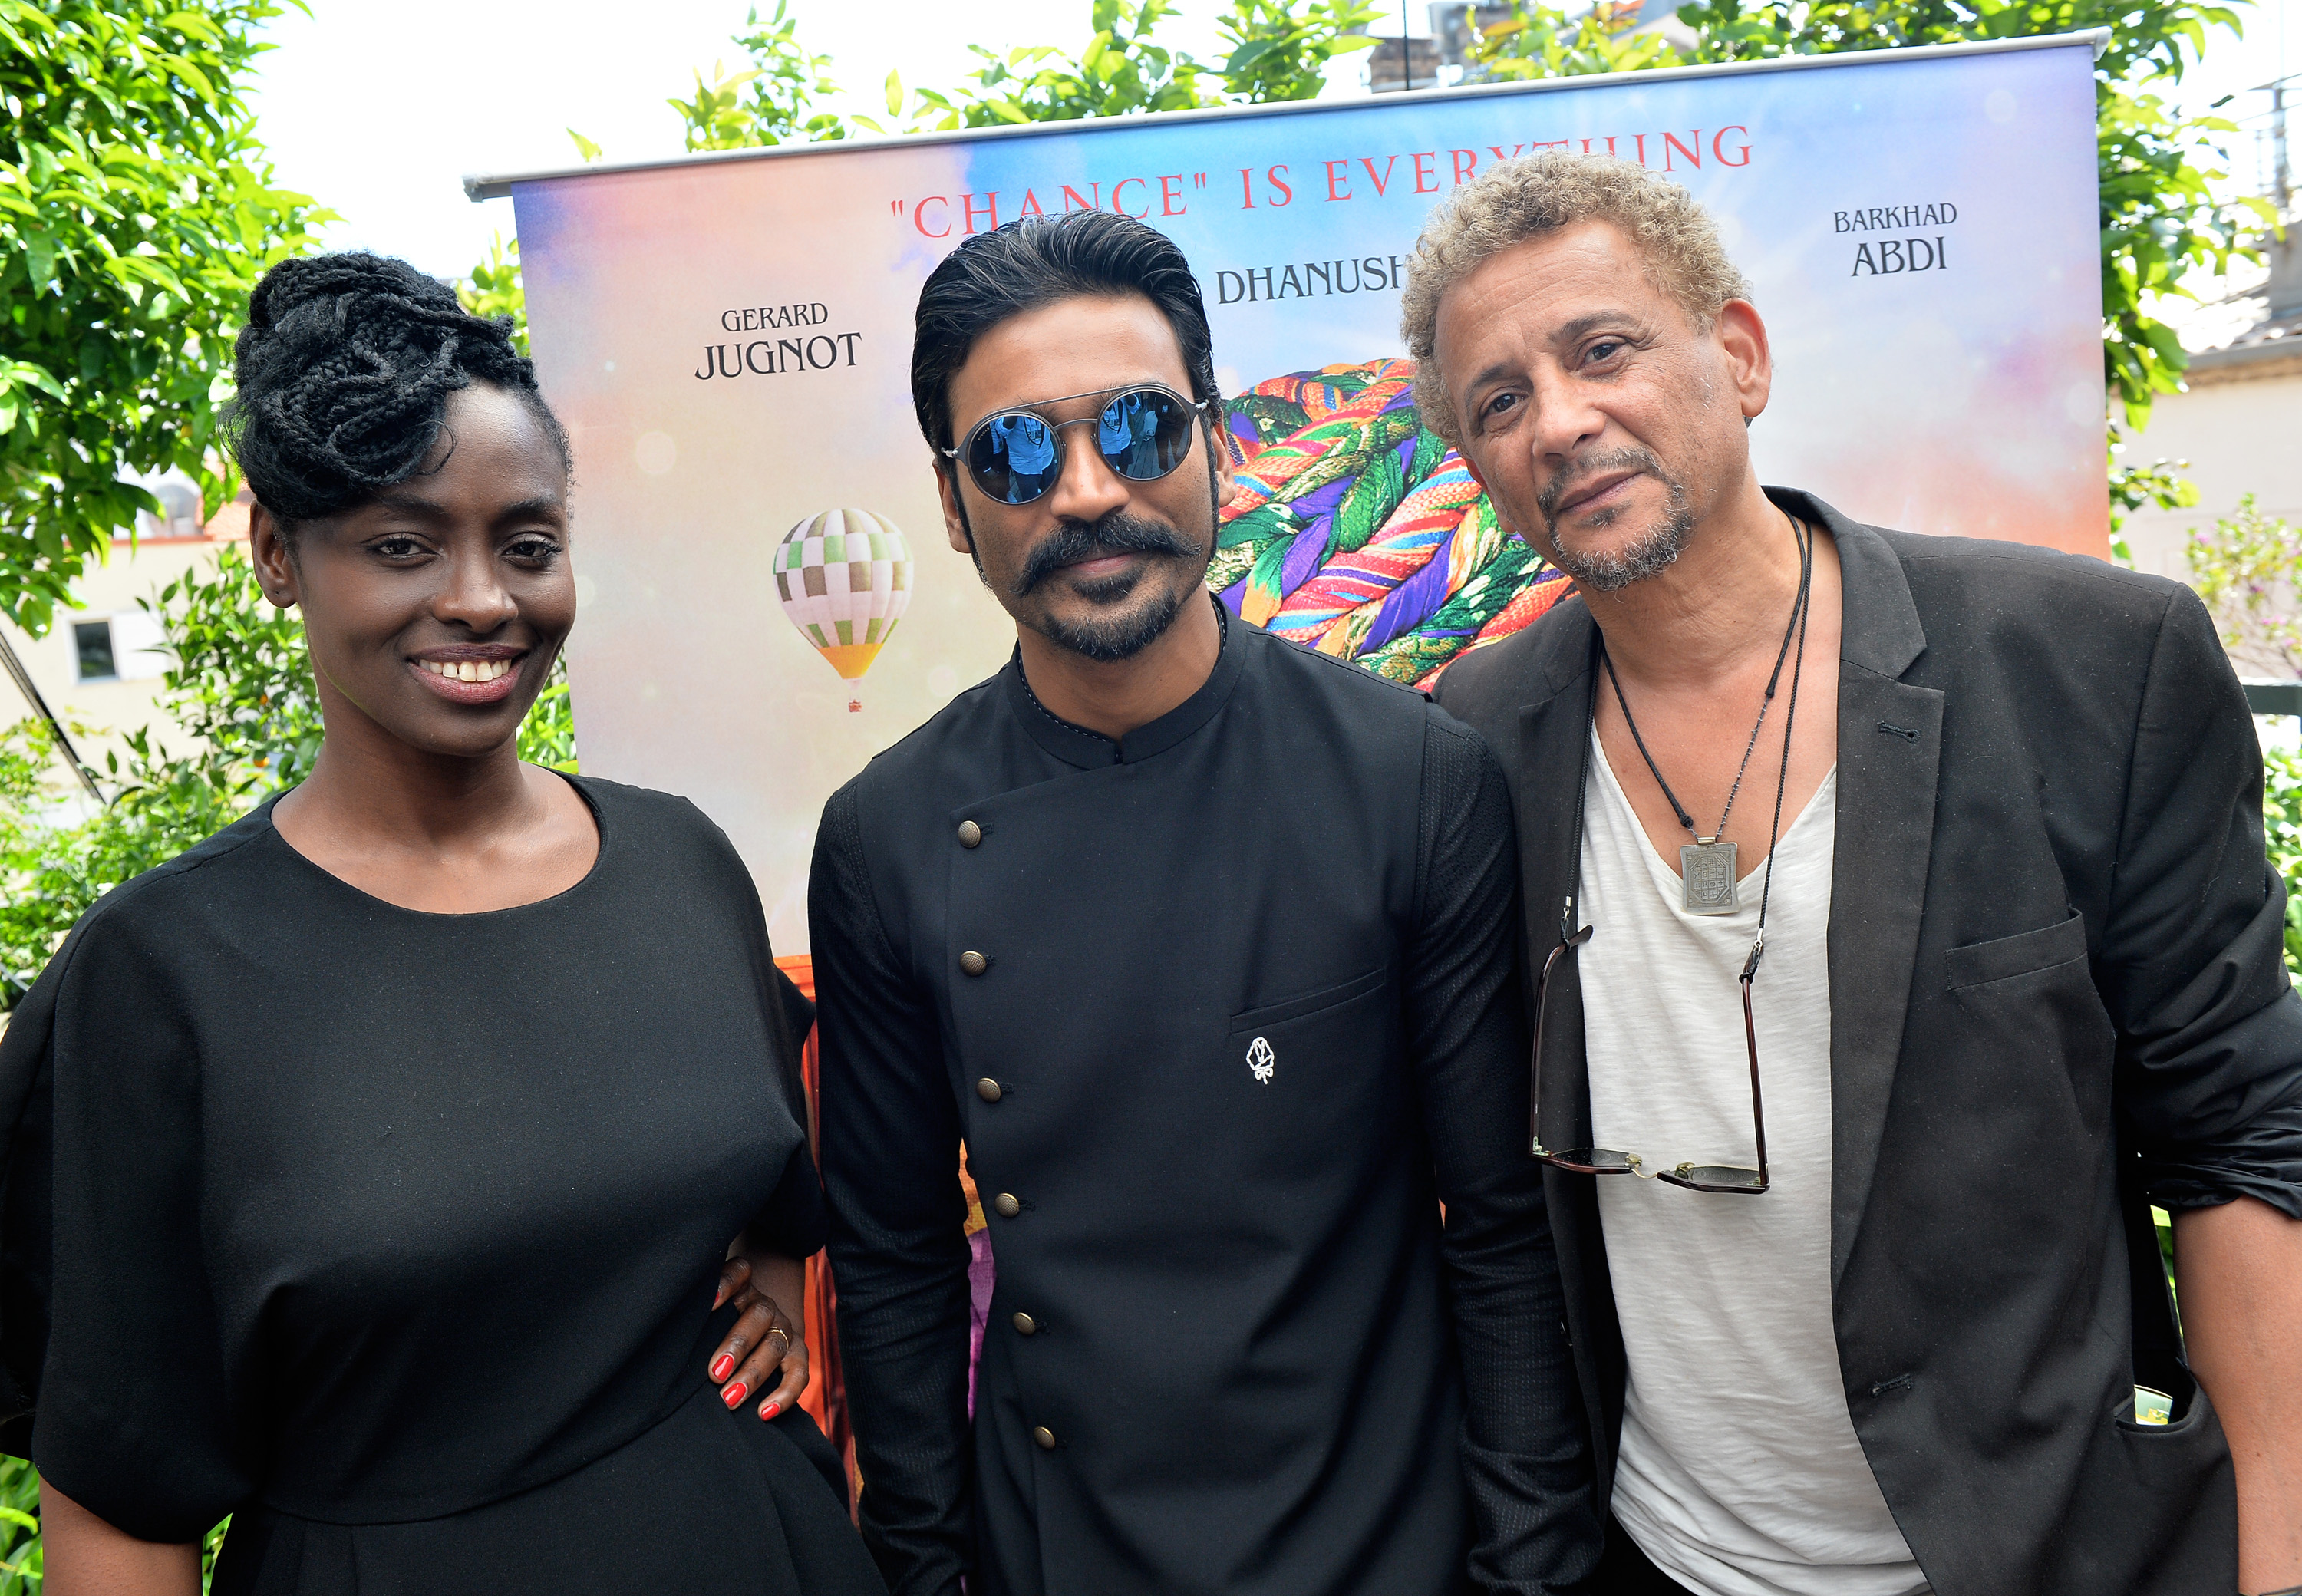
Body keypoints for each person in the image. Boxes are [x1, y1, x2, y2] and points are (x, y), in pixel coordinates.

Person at [1410, 153, 2302, 1596]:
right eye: (1498, 402)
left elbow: (2245, 1134)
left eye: (1603, 350)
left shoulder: (2089, 665)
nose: (1561, 421)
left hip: (2047, 1552)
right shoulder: (1471, 745)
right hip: (1660, 1558)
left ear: (1740, 356)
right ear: (1477, 467)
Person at [0, 254, 887, 1596]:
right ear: (275, 555)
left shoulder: (675, 861)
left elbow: (769, 1179)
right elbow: (124, 1507)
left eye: (526, 545)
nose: (483, 598)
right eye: (402, 545)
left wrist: (770, 1310)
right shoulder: (163, 978)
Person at [812, 210, 1601, 1596]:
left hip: (1386, 1539)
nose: (1084, 493)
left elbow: (1499, 1229)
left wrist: (1528, 1571)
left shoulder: (1415, 780)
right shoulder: (887, 838)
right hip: (1059, 1548)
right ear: (951, 506)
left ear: (1215, 443)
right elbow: (892, 1262)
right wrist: (926, 1576)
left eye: (1136, 429)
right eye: (1011, 451)